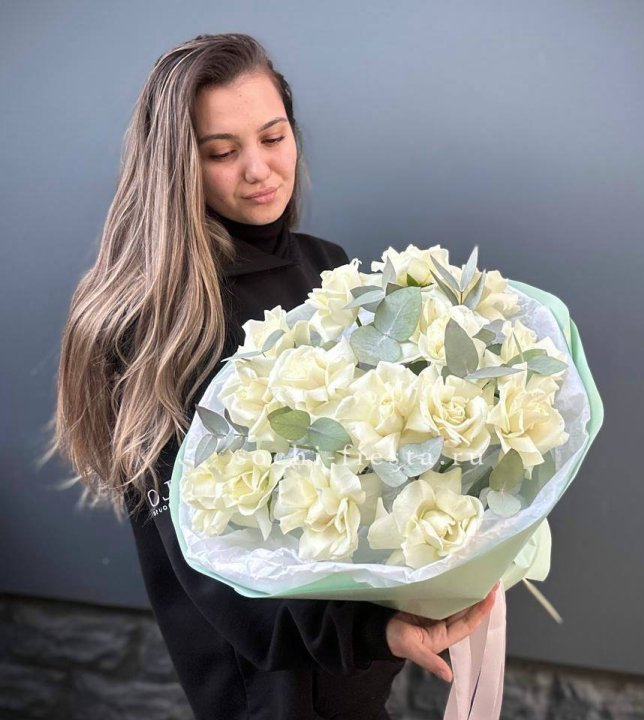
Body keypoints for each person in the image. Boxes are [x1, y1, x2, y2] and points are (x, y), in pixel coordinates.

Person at [49, 32, 498, 720]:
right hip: (270, 683)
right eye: (222, 152)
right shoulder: (165, 320)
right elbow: (203, 559)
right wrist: (372, 631)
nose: (258, 169)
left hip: (358, 667)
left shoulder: (329, 269)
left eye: (273, 137)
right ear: (176, 166)